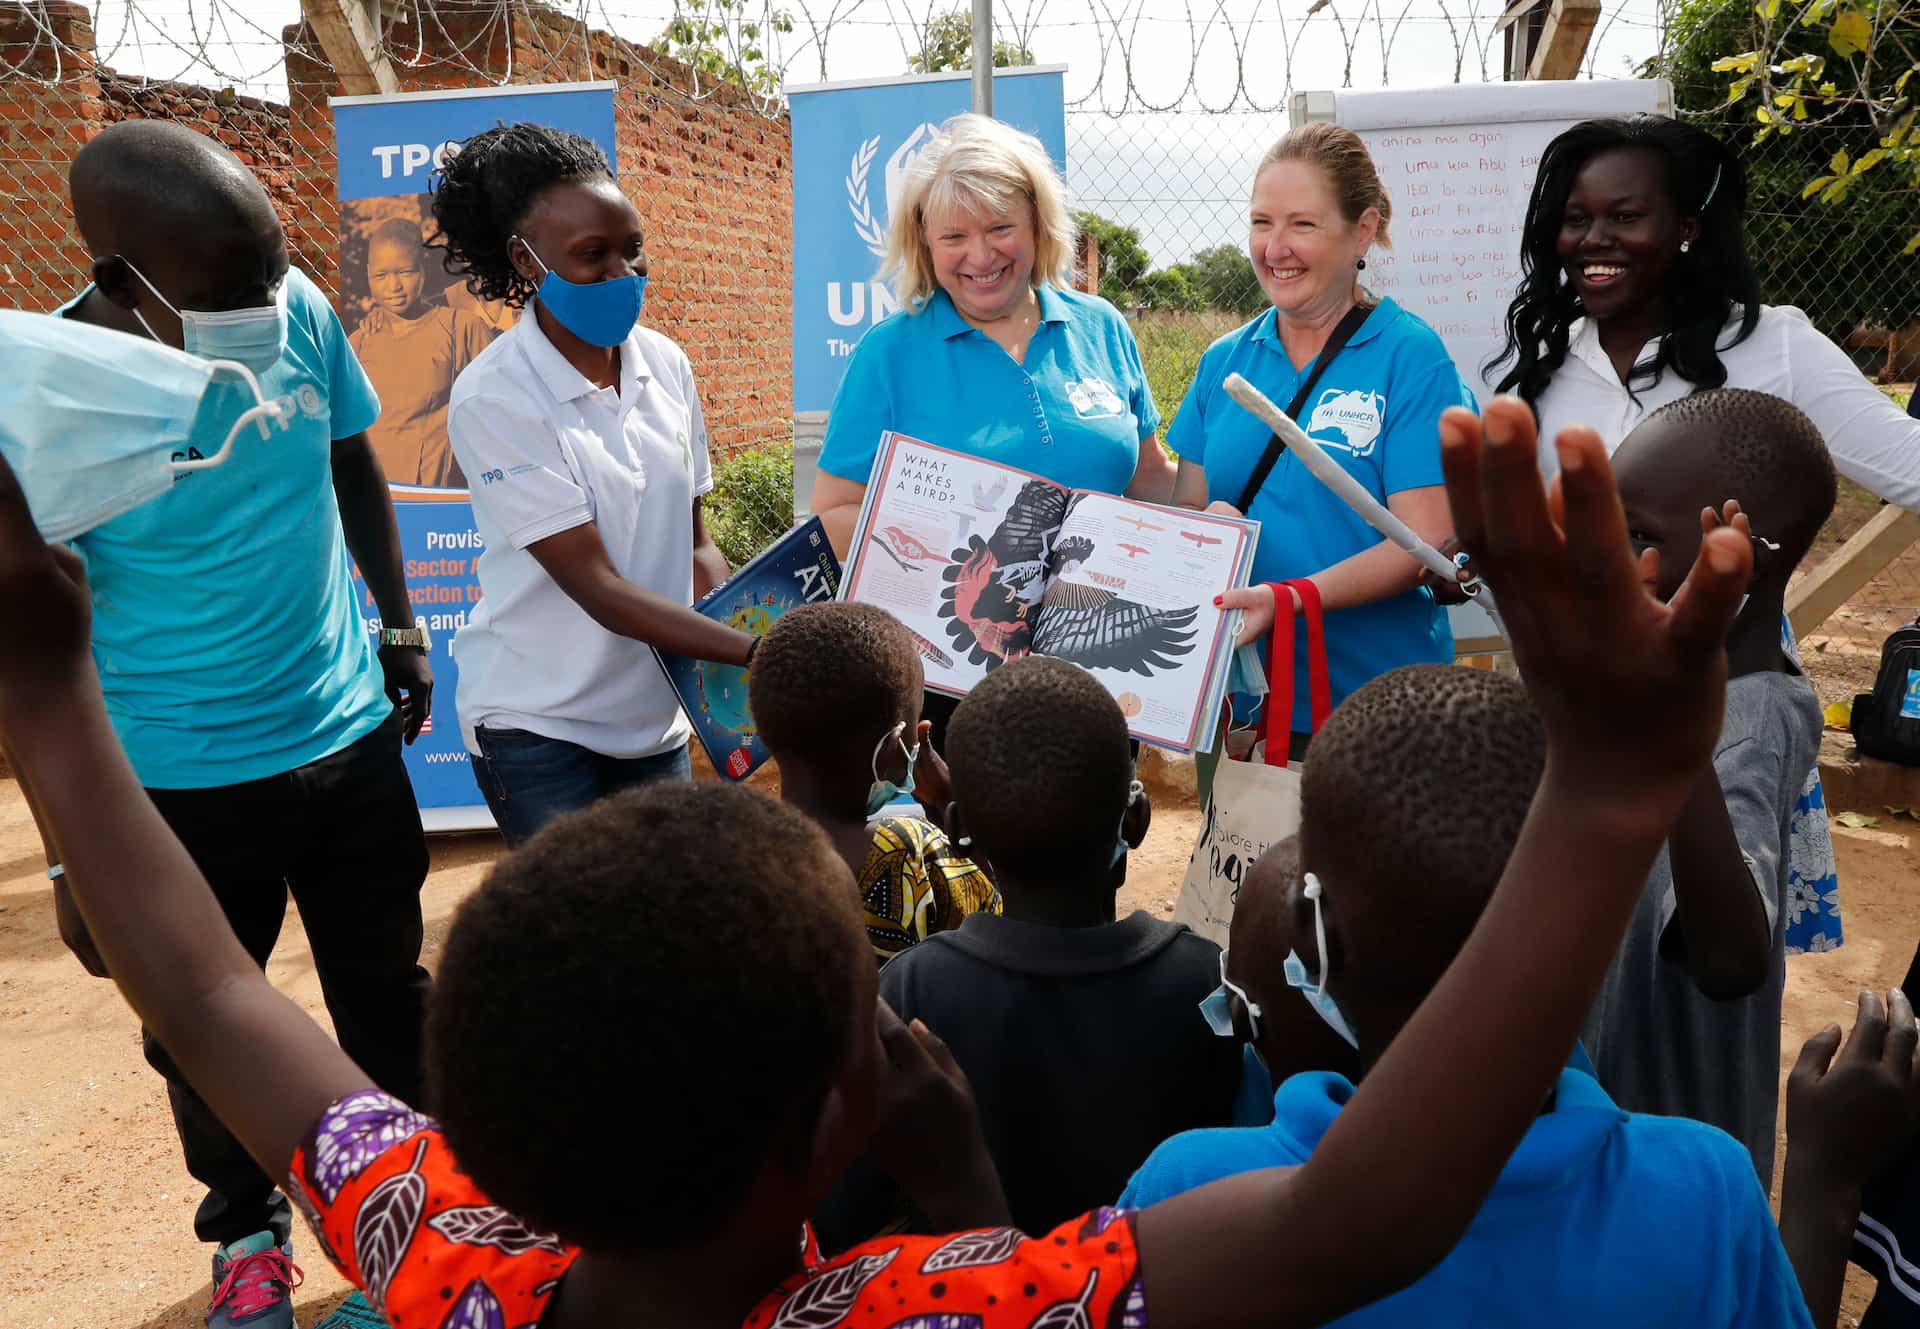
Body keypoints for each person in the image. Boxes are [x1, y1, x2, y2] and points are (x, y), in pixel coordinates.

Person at [0, 388, 1763, 1329]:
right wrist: (1609, 796)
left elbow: (218, 989)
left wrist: (50, 703)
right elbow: (1358, 1216)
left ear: (473, 1105)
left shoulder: (451, 1251)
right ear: (826, 1113)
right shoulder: (904, 1304)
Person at [33, 120, 435, 1329]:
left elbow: (350, 455)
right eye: (234, 288)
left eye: (274, 270)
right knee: (199, 1021)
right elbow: (30, 647)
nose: (269, 303)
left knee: (388, 997)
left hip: (345, 734)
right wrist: (71, 852)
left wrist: (398, 625)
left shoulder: (295, 305)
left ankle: (406, 1233)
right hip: (177, 778)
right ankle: (247, 1233)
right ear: (119, 280)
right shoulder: (45, 403)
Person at [1118, 663, 1813, 1329]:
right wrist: (1824, 1183)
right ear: (1585, 927)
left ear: (1312, 938)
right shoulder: (1707, 1195)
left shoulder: (1189, 1191)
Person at [1494, 114, 1920, 956]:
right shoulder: (1541, 368)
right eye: (1576, 219)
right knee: (1575, 950)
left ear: (1688, 229)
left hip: (1726, 699)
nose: (1593, 240)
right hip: (1574, 702)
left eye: (1626, 216)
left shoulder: (1771, 347)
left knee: (1707, 944)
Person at [820, 654, 1234, 1244]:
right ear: (1137, 820)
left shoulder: (913, 991)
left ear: (958, 830)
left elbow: (845, 1211)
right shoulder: (1210, 983)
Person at [428, 122, 755, 846]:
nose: (623, 273)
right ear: (526, 256)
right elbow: (600, 588)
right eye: (592, 255)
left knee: (668, 924)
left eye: (632, 248)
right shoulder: (497, 397)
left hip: (654, 716)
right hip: (540, 724)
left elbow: (695, 540)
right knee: (580, 947)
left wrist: (738, 620)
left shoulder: (667, 365)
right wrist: (759, 653)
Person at [808, 113, 1175, 744]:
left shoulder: (1102, 326)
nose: (980, 257)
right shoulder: (890, 352)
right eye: (954, 237)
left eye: (1001, 228)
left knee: (1098, 841)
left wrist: (1221, 527)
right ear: (923, 243)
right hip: (956, 684)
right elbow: (836, 513)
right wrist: (963, 552)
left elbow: (1152, 483)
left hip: (1098, 671)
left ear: (1038, 225)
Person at [1579, 388, 1834, 1185]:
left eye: (1641, 537)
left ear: (1741, 558)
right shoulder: (1634, 669)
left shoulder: (1756, 714)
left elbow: (1730, 958)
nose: (1611, 559)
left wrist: (1674, 720)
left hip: (1670, 1156)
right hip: (1602, 1119)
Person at [1177, 124, 1475, 762]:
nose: (1275, 248)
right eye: (1262, 222)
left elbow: (1421, 543)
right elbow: (1188, 516)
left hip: (1381, 710)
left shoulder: (1411, 357)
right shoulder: (1223, 362)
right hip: (1242, 715)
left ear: (1362, 231)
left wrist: (1290, 600)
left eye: (1303, 225)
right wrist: (1207, 527)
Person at [749, 601, 1000, 963]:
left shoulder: (736, 844)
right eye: (916, 721)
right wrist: (950, 801)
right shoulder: (911, 851)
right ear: (893, 747)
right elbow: (1000, 918)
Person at [346, 217, 496, 488]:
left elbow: (498, 411)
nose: (394, 287)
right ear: (368, 274)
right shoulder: (359, 342)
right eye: (381, 275)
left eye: (405, 272)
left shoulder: (460, 329)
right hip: (377, 493)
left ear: (423, 268)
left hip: (438, 495)